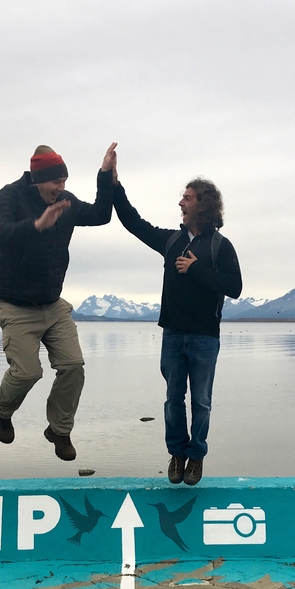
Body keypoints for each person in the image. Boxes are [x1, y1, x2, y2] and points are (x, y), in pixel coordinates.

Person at [0, 142, 117, 461]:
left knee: (73, 366)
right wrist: (36, 225)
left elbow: (101, 215)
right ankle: (0, 408)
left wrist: (105, 176)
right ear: (38, 180)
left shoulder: (66, 202)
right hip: (16, 305)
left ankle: (59, 430)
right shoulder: (11, 195)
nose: (61, 188)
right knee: (28, 373)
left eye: (64, 182)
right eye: (56, 182)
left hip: (53, 304)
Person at [113, 174, 242, 485]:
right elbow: (134, 223)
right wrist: (113, 185)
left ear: (203, 204)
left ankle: (196, 456)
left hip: (205, 338)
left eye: (187, 197)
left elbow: (234, 288)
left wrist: (196, 269)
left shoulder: (220, 246)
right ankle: (177, 453)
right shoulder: (171, 241)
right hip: (172, 334)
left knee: (201, 401)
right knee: (173, 399)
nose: (181, 202)